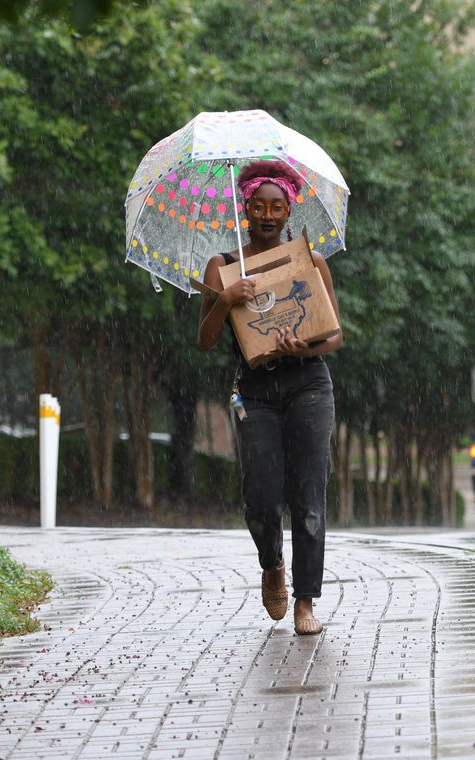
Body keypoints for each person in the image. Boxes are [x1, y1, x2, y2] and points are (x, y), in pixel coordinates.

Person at [197, 160, 341, 636]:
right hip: (254, 391)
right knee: (260, 498)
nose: (266, 215)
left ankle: (305, 601)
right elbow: (205, 341)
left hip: (308, 384)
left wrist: (305, 348)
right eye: (258, 206)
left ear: (288, 211)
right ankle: (272, 562)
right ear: (245, 208)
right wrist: (225, 299)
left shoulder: (309, 261)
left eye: (276, 207)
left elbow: (334, 335)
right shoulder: (222, 267)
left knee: (309, 495)